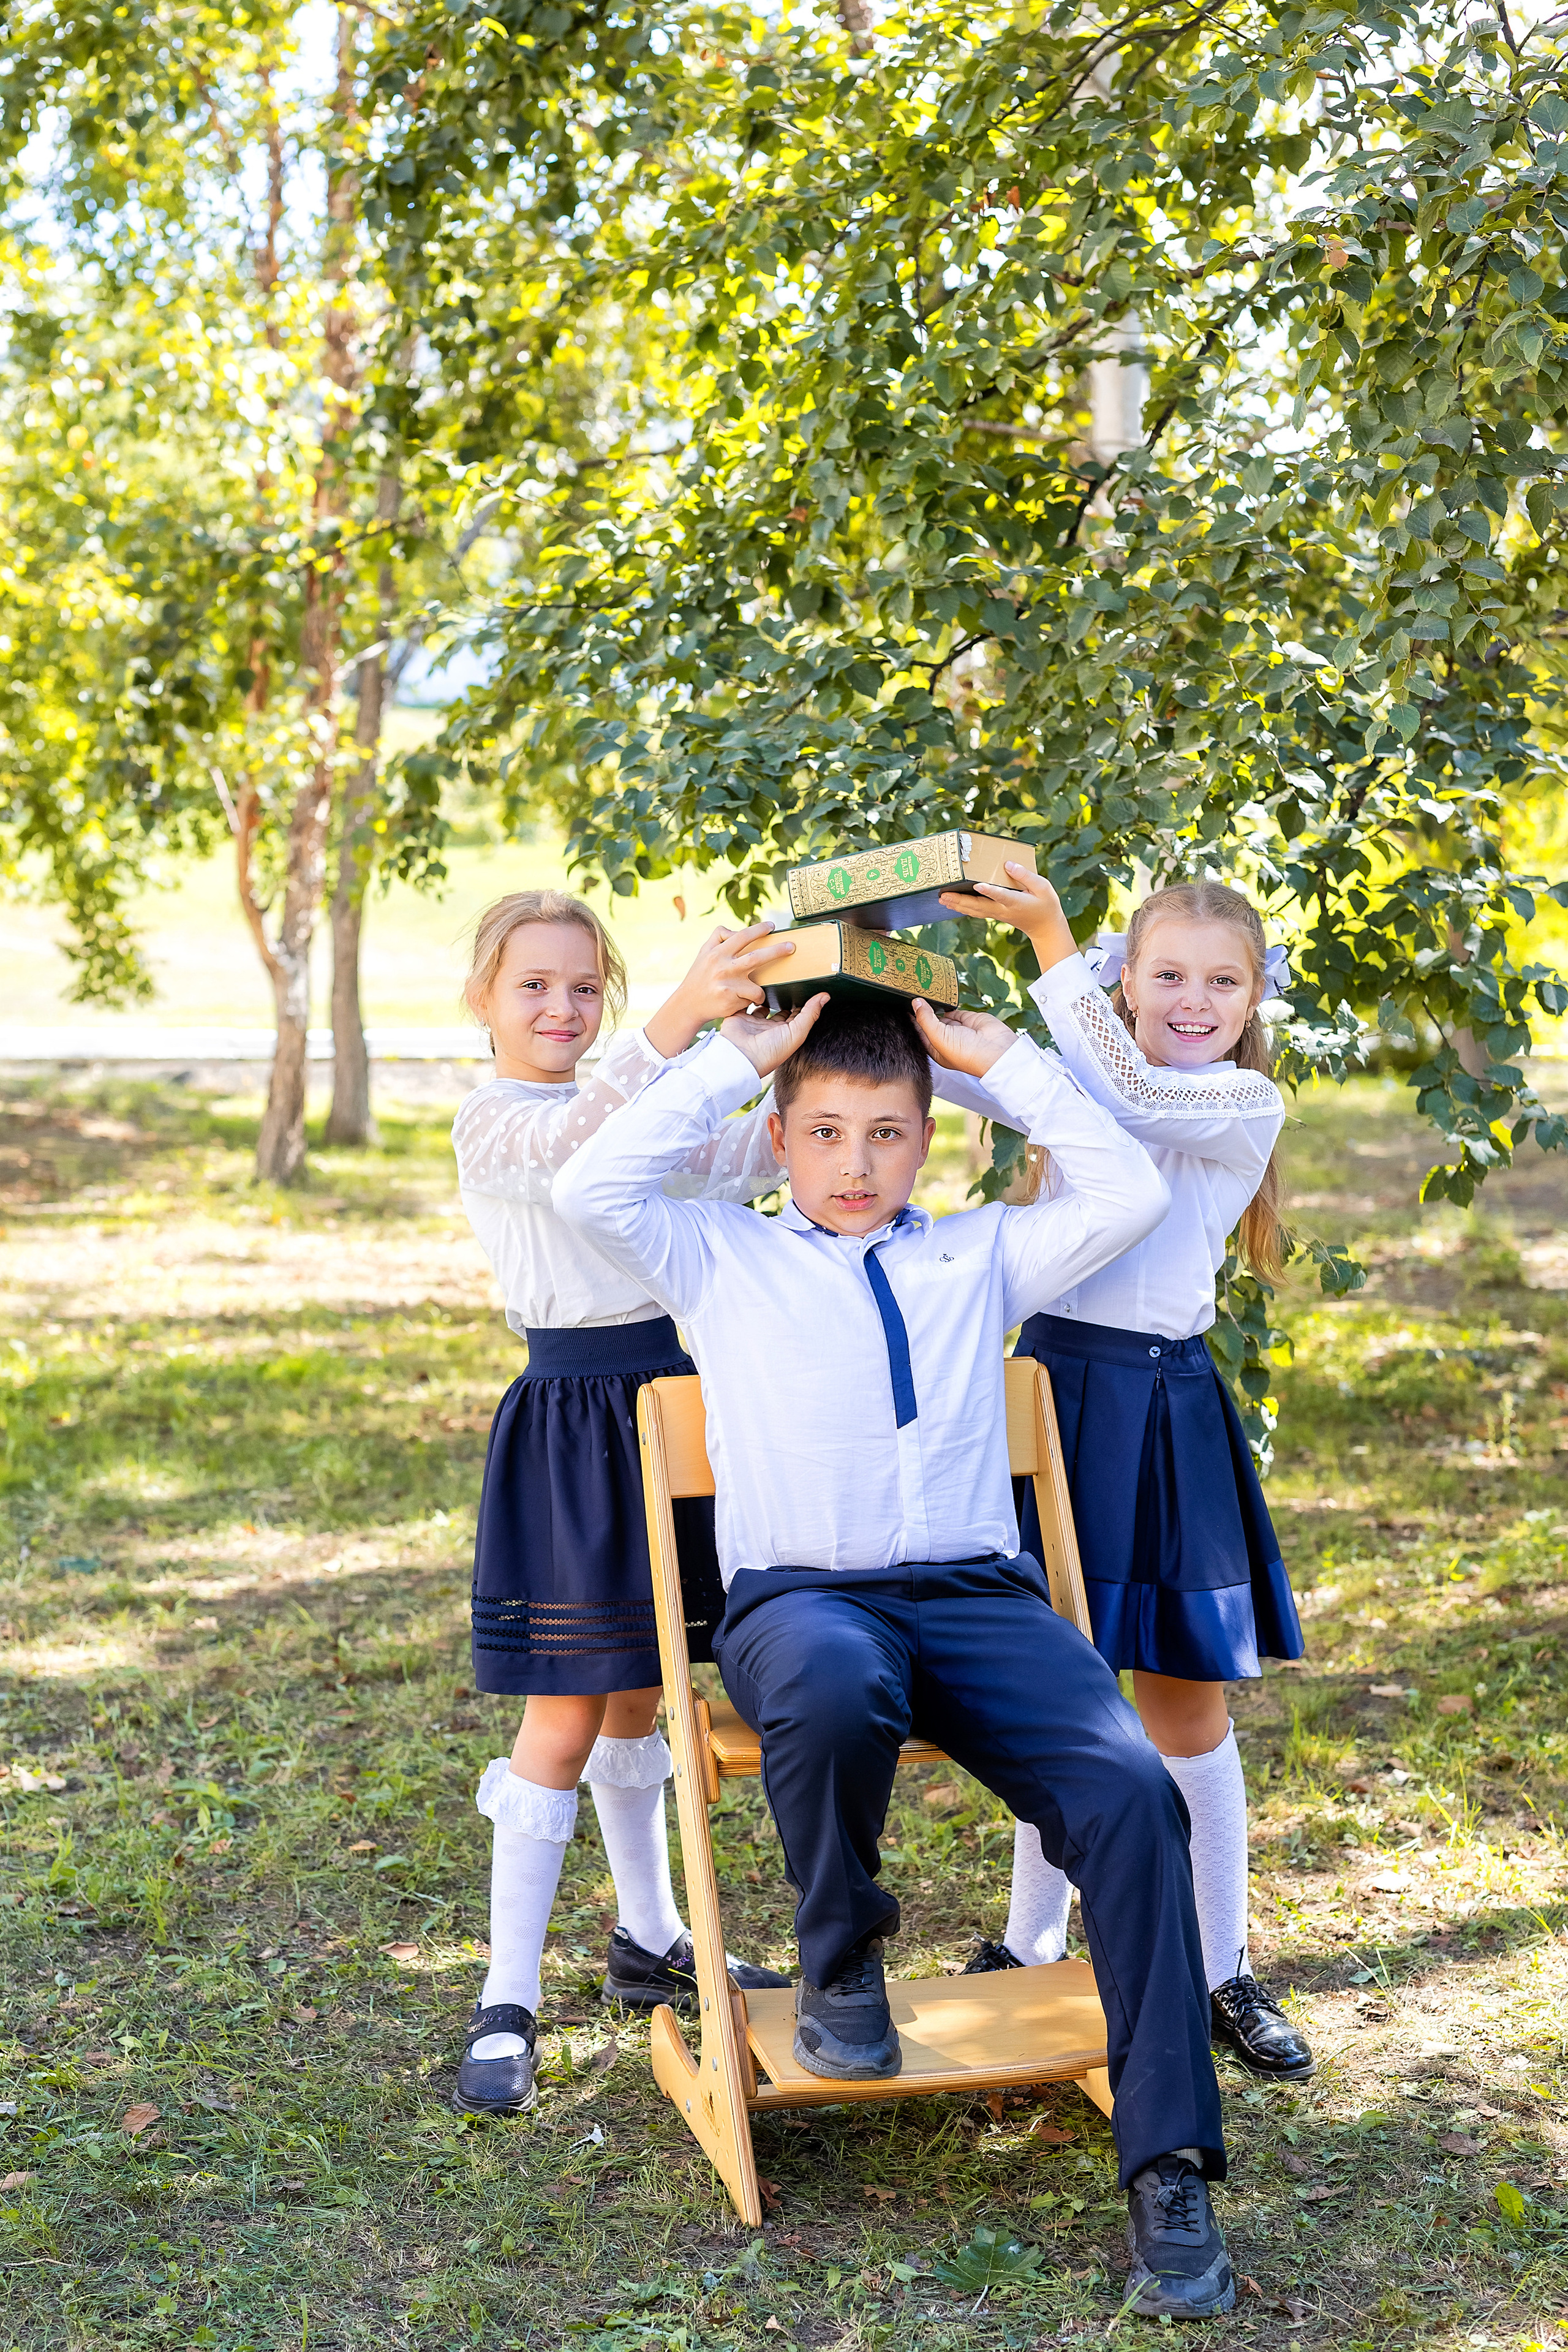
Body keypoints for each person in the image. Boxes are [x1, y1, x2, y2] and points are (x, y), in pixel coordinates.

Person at [556, 986, 1238, 2321]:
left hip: (980, 1601)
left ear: (925, 1138)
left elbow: (1127, 1196)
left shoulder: (981, 1252)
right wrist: (733, 1057)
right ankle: (841, 1961)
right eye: (819, 1133)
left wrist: (1006, 1066)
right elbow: (591, 1186)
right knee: (831, 1681)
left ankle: (1166, 2166)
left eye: (882, 1133)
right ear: (779, 1136)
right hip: (797, 1604)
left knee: (1129, 1792)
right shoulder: (715, 1254)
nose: (852, 1165)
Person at [934, 867, 1312, 2084]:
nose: (1191, 1000)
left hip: (1161, 1406)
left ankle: (1219, 1966)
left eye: (1219, 981)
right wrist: (884, 1018)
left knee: (1181, 1705)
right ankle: (1030, 1938)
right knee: (1058, 1690)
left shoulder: (1236, 1098)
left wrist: (1044, 937)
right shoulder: (1087, 1073)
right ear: (1123, 981)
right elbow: (1001, 1081)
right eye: (1165, 975)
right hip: (1046, 1398)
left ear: (1253, 998)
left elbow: (1121, 1088)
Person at [448, 889, 796, 2120]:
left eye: (584, 988)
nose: (561, 1008)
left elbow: (737, 1155)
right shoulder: (495, 1120)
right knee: (562, 1707)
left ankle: (649, 1934)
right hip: (572, 1415)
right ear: (482, 995)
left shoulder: (633, 1095)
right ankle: (505, 1999)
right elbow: (586, 1145)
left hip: (676, 1408)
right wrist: (685, 1036)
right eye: (533, 985)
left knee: (644, 1689)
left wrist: (799, 1045)